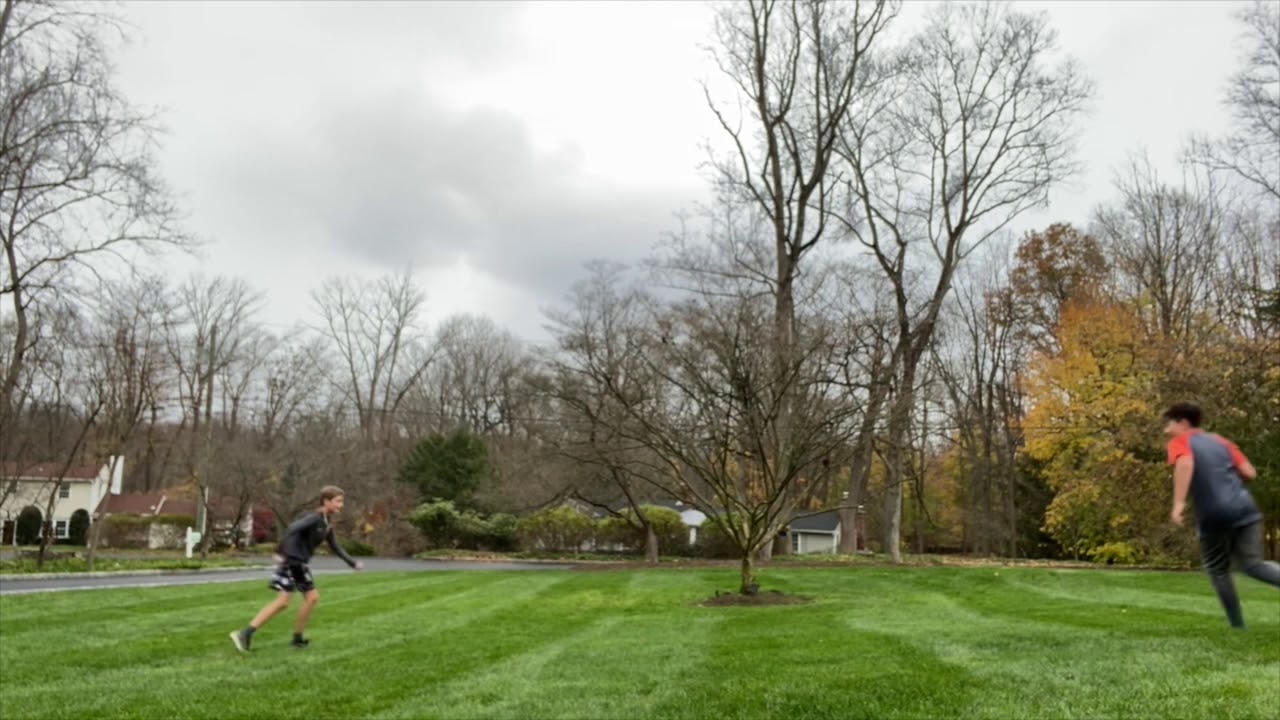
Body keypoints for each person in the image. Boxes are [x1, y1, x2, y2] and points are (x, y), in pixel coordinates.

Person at [1163, 402, 1279, 629]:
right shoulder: (1220, 441)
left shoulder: (1180, 442)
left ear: (1183, 423)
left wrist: (1178, 504)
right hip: (1246, 508)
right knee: (1254, 564)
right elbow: (1249, 472)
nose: (1165, 428)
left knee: (1217, 569)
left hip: (1215, 513)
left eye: (1169, 422)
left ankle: (1237, 625)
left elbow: (1185, 463)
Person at [230, 485, 364, 651]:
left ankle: (287, 637)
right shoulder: (315, 518)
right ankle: (252, 634)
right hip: (293, 562)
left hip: (297, 563)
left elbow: (335, 545)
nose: (341, 505)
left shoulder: (326, 522)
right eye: (338, 501)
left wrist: (352, 563)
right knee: (297, 600)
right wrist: (279, 551)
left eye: (341, 502)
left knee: (296, 601)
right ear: (326, 501)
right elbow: (292, 529)